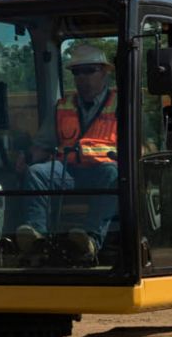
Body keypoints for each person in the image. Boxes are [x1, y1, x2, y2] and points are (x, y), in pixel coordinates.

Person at [14, 42, 120, 252]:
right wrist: (26, 157)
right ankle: (36, 237)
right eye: (77, 72)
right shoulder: (64, 106)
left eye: (90, 71)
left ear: (104, 73)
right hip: (68, 172)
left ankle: (91, 239)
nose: (83, 78)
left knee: (112, 174)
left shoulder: (122, 104)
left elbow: (144, 145)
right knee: (37, 173)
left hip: (104, 173)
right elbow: (42, 145)